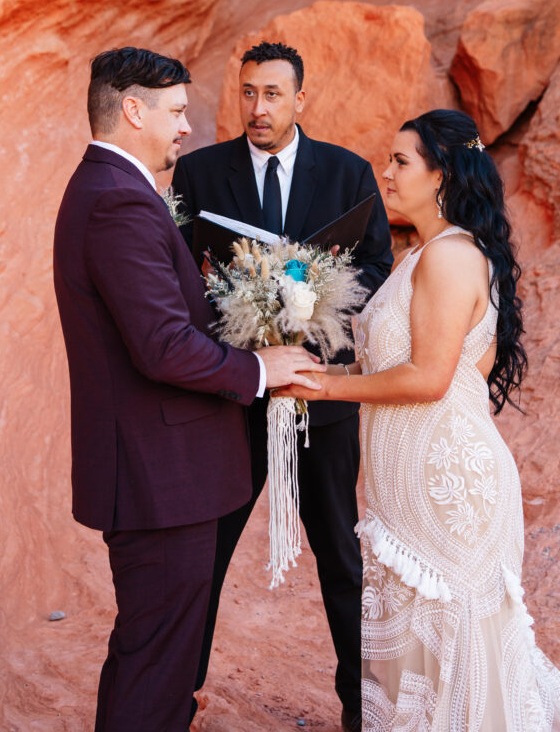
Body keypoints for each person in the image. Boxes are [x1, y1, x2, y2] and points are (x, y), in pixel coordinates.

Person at [277, 109, 560, 731]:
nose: (385, 172)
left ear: (442, 176)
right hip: (413, 483)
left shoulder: (450, 257)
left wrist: (324, 389)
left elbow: (431, 379)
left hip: (447, 488)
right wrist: (301, 374)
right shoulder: (422, 255)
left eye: (401, 161)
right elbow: (446, 370)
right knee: (428, 662)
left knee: (459, 655)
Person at [53, 46, 324, 732]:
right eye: (175, 112)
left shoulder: (113, 192)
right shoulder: (116, 202)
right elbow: (162, 346)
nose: (184, 128)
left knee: (157, 658)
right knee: (155, 663)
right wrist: (264, 370)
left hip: (161, 474)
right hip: (158, 478)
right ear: (133, 109)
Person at [173, 41, 393, 732]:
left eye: (271, 93)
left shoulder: (348, 172)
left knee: (339, 556)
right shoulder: (201, 172)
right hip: (231, 399)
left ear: (301, 99)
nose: (257, 108)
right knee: (202, 555)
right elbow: (178, 275)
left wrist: (315, 311)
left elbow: (377, 271)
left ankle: (361, 710)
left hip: (319, 403)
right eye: (247, 93)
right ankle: (178, 699)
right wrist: (245, 317)